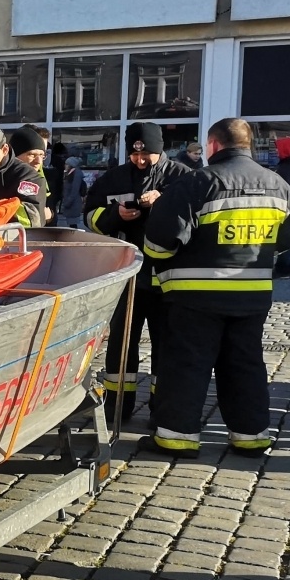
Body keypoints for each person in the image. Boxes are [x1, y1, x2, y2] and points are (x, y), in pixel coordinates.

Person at [142, 117, 290, 458]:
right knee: (246, 366)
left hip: (195, 297)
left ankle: (176, 438)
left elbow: (158, 243)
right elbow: (288, 240)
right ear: (248, 145)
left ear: (213, 145)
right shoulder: (278, 185)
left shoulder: (198, 182)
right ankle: (251, 437)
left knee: (187, 364)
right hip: (253, 296)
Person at [82, 121, 194, 423]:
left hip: (169, 280)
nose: (141, 160)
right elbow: (90, 217)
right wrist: (113, 216)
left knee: (166, 347)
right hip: (127, 279)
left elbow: (196, 221)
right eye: (135, 155)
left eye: (147, 156)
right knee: (120, 345)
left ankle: (163, 407)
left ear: (161, 151)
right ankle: (118, 406)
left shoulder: (183, 177)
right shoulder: (113, 178)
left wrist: (165, 202)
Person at [58, 156, 87, 229]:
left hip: (73, 202)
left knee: (73, 223)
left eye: (67, 164)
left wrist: (68, 201)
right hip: (70, 201)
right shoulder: (69, 173)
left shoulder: (76, 174)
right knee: (71, 223)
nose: (65, 166)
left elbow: (74, 189)